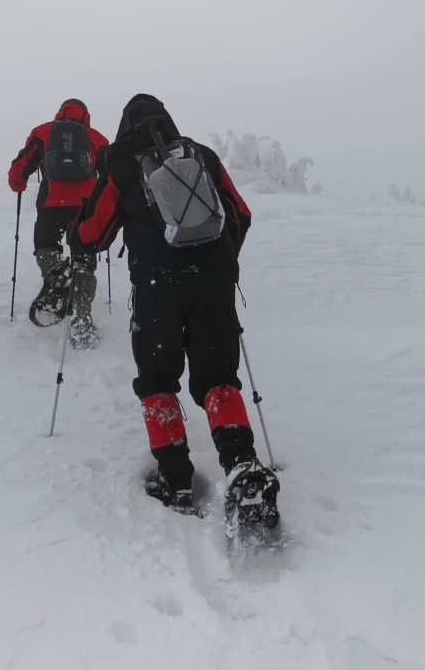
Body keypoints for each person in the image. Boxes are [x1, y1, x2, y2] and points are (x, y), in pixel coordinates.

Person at [71, 94, 280, 528]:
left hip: (156, 291)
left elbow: (93, 235)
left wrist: (75, 236)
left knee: (158, 380)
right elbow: (239, 213)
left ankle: (176, 480)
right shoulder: (199, 154)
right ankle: (242, 464)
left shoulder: (121, 165)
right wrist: (220, 264)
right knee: (218, 378)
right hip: (214, 283)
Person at [8, 99, 111, 348]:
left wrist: (18, 183)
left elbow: (18, 172)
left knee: (45, 245)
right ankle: (82, 321)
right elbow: (112, 174)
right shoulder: (96, 137)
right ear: (86, 115)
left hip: (51, 202)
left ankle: (57, 273)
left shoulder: (43, 132)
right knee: (84, 260)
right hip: (85, 206)